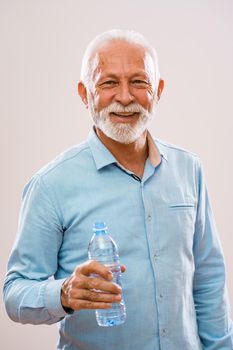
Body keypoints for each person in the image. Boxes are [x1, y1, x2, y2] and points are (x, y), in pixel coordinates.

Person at [3, 29, 233, 350]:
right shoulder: (51, 185)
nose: (125, 97)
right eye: (108, 83)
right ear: (85, 94)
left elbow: (208, 279)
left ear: (158, 91)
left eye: (139, 82)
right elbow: (15, 293)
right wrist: (64, 293)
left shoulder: (188, 169)